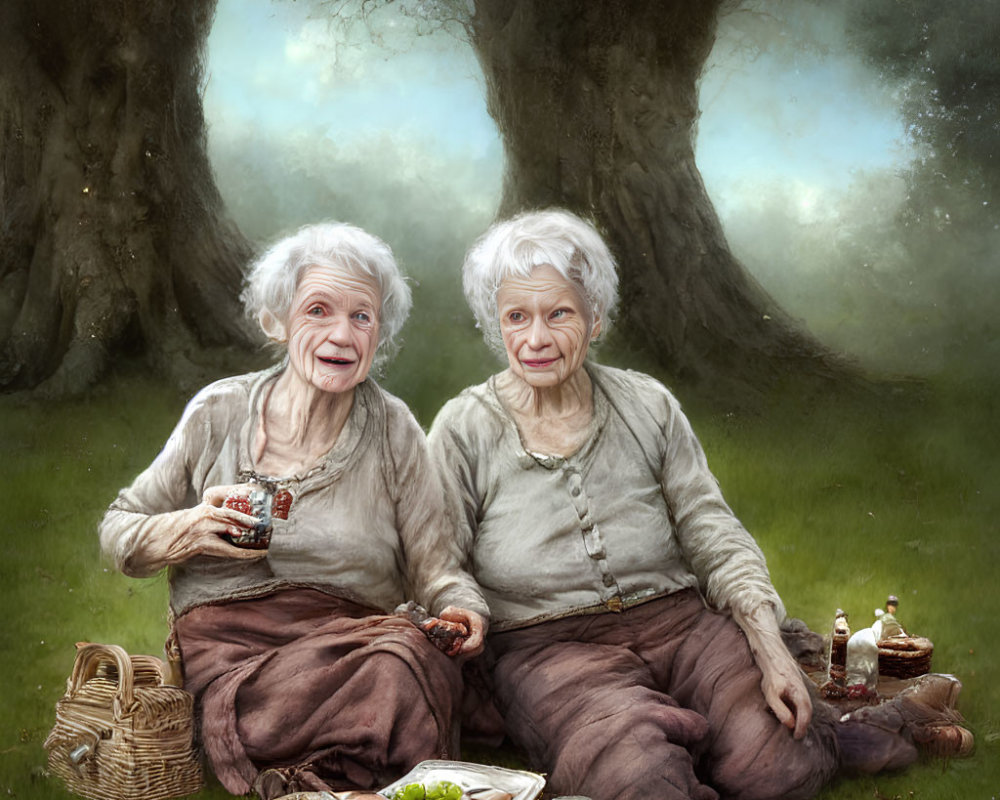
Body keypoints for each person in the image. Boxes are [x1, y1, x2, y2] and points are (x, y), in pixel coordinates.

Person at [428, 209, 971, 800]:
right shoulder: (464, 427)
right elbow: (439, 558)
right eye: (516, 317)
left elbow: (711, 529)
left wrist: (770, 650)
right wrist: (459, 606)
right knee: (638, 780)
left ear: (595, 318)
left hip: (683, 624)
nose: (535, 338)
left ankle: (869, 729)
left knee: (775, 767)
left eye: (559, 313)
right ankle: (863, 734)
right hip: (549, 651)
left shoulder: (649, 404)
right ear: (496, 323)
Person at [100, 222, 488, 800]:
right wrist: (188, 529)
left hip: (357, 649)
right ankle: (344, 774)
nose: (343, 334)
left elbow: (437, 568)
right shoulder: (219, 411)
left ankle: (323, 783)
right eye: (318, 311)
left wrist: (463, 609)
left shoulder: (394, 429)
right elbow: (119, 532)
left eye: (362, 317)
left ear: (379, 335)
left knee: (406, 658)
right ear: (276, 322)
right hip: (238, 666)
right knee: (397, 667)